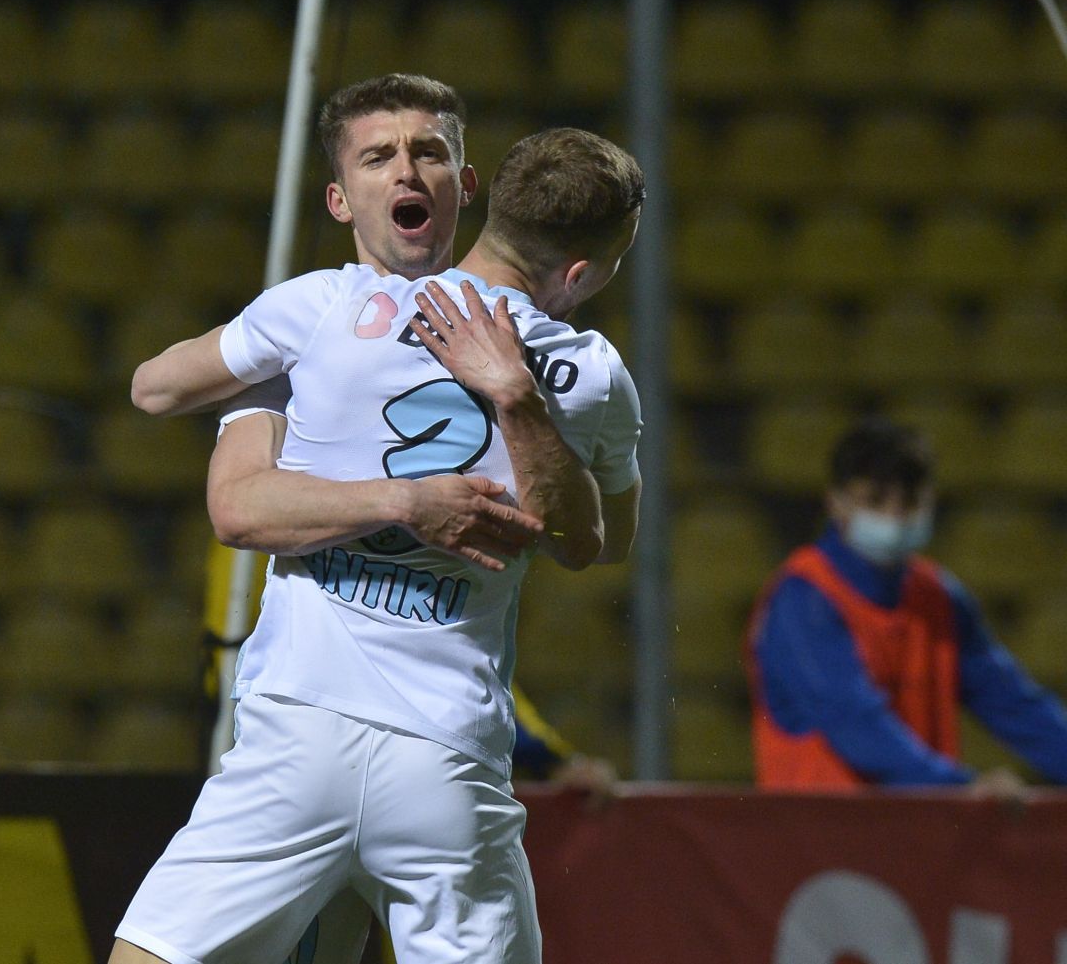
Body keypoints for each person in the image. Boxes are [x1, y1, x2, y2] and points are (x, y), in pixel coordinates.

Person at [113, 125, 645, 964]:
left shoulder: (325, 307)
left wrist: (259, 379)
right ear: (581, 274)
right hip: (445, 756)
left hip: (299, 730)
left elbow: (156, 389)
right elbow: (598, 543)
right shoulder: (592, 372)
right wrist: (520, 401)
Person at [746, 415, 1067, 792]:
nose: (894, 516)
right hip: (820, 841)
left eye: (909, 501)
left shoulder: (940, 597)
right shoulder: (804, 599)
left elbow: (1013, 704)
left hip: (915, 836)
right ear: (836, 503)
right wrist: (959, 787)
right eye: (875, 500)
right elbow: (853, 723)